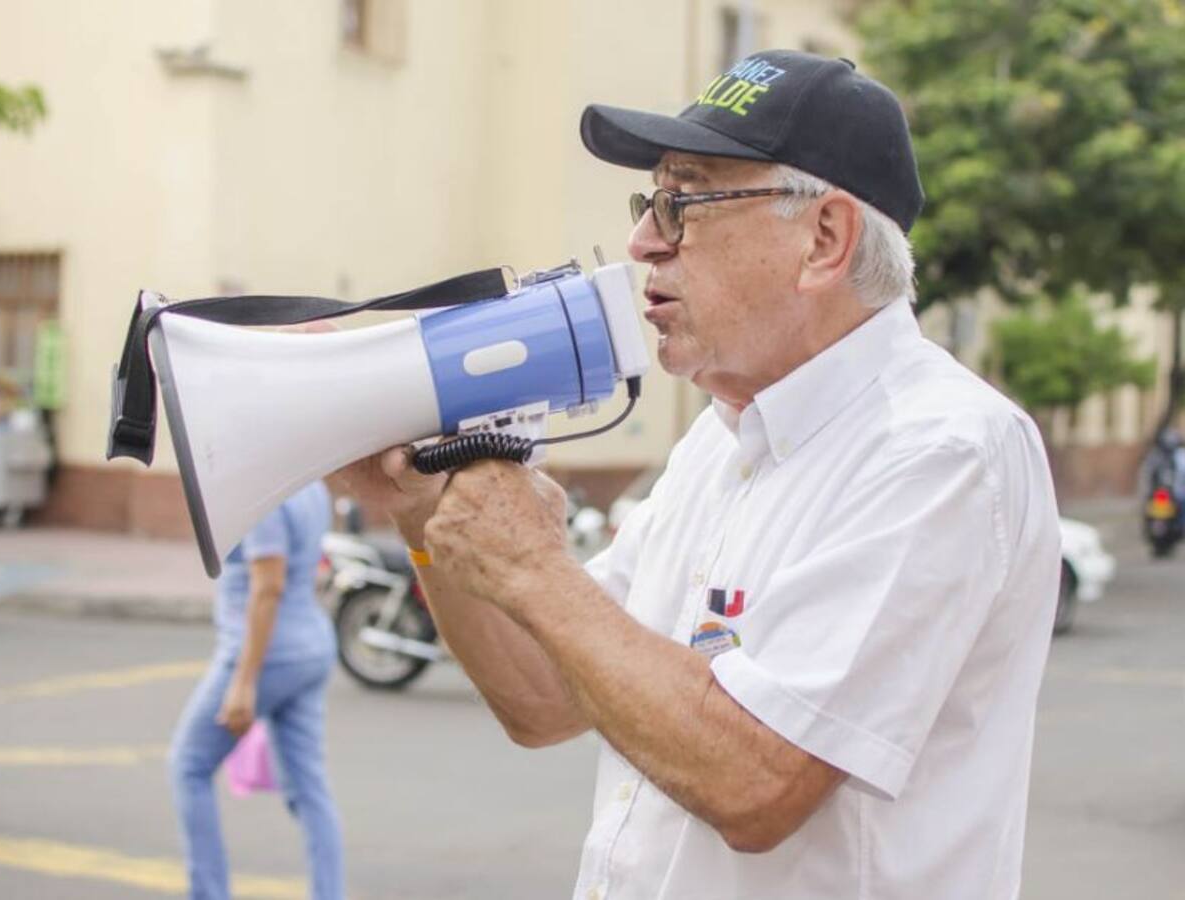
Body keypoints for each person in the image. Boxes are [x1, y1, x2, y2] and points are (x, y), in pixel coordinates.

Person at [338, 49, 1061, 899]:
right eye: (653, 201)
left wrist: (533, 566)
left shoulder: (943, 451)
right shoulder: (721, 441)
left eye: (685, 201)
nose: (645, 241)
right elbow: (543, 701)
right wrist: (423, 514)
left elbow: (757, 783)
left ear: (824, 239)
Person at [169, 480, 344, 900]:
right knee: (309, 789)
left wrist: (243, 683)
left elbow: (269, 587)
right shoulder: (311, 485)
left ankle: (208, 893)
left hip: (269, 653)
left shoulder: (261, 497)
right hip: (310, 645)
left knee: (188, 766)